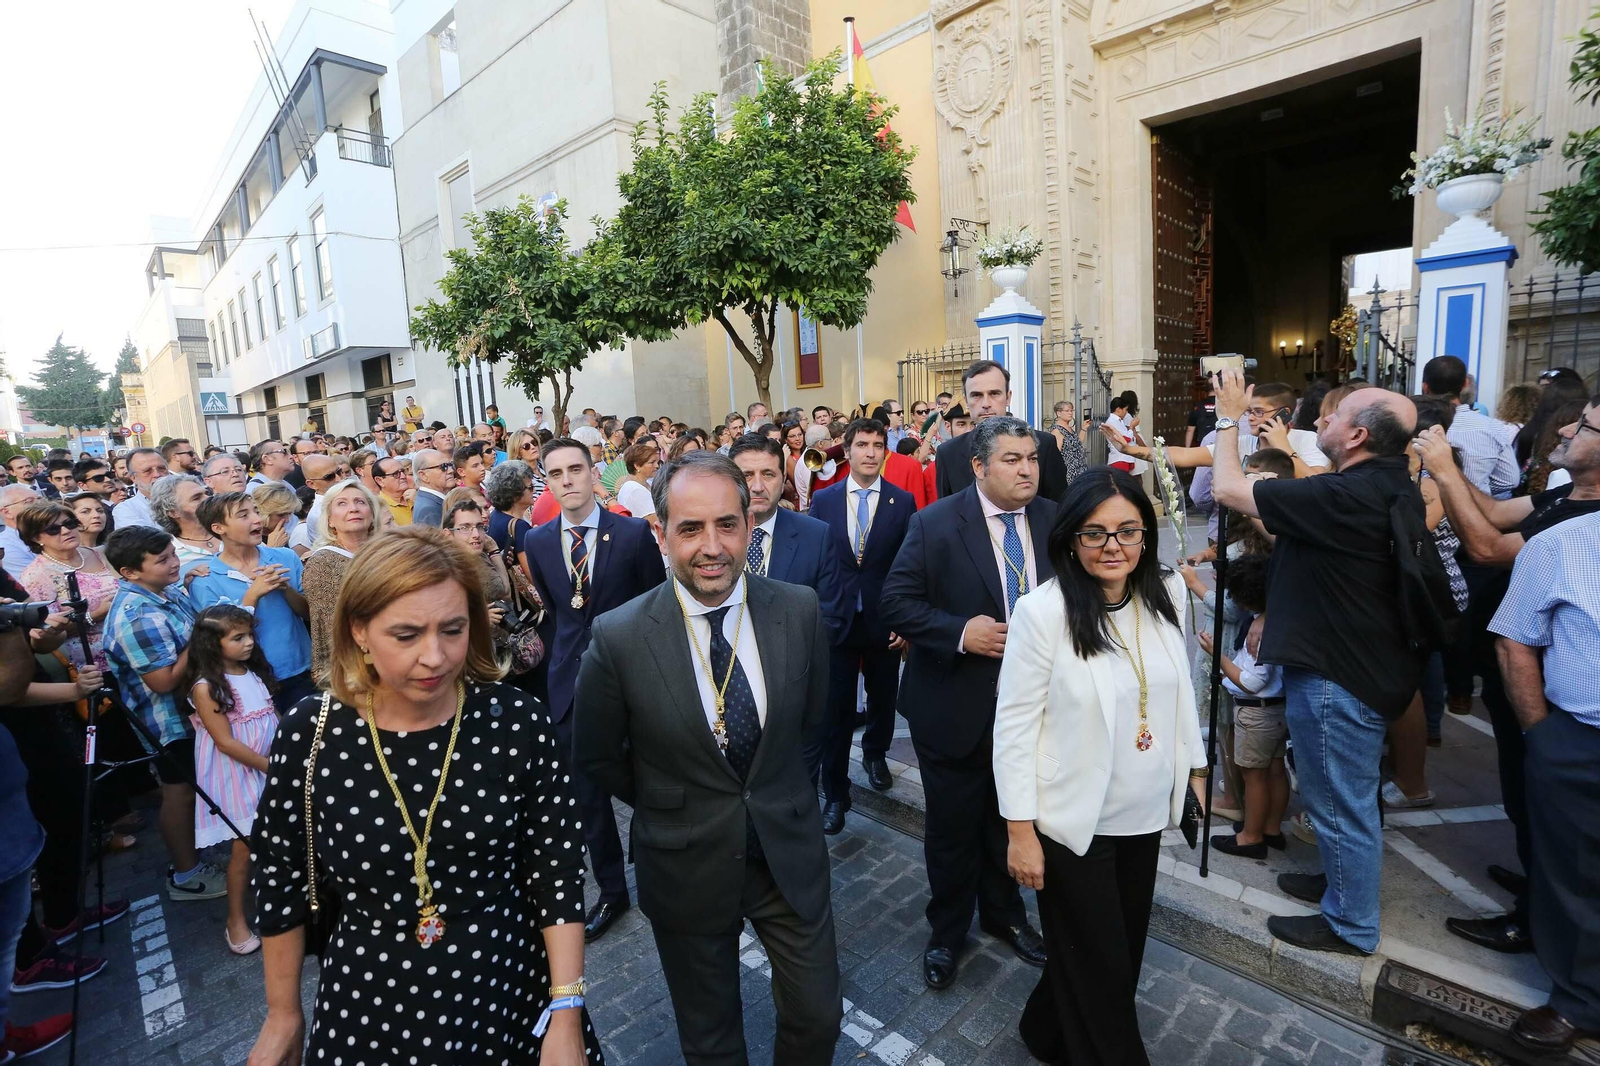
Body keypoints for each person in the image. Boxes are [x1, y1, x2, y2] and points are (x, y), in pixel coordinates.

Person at [246, 526, 601, 1066]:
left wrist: (567, 1013)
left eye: (453, 630)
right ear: (359, 630)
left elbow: (555, 869)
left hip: (506, 985)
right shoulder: (311, 732)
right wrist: (282, 1013)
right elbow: (280, 873)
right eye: (407, 635)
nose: (435, 657)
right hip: (368, 998)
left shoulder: (515, 721)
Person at [573, 451, 840, 1065]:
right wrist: (673, 799)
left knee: (819, 1013)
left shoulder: (797, 609)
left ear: (750, 525)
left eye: (727, 524)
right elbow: (598, 754)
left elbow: (812, 722)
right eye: (690, 529)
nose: (712, 545)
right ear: (661, 533)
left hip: (786, 853)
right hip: (685, 861)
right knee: (711, 1038)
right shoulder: (619, 637)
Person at [1209, 370, 1439, 955]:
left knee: (1342, 803)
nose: (1319, 421)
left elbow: (1230, 492)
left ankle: (1351, 925)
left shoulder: (1346, 493)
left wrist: (1230, 418)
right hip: (1356, 665)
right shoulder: (1383, 484)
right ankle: (1341, 885)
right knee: (1339, 797)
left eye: (1334, 418)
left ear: (1358, 435)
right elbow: (1289, 529)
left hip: (1340, 677)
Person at [994, 467, 1206, 1066]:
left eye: (1128, 531)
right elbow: (1012, 727)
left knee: (1118, 953)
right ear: (1071, 540)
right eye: (1096, 533)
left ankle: (1045, 1028)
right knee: (1104, 966)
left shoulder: (1162, 593)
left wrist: (1194, 767)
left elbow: (1181, 691)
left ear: (1146, 535)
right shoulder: (1043, 612)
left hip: (1143, 818)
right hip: (1070, 823)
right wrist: (1019, 831)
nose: (1113, 547)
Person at [1415, 391, 1600, 955]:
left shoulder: (1587, 520)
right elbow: (1495, 512)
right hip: (1516, 684)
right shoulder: (1565, 494)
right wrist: (1446, 471)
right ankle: (1538, 885)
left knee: (1545, 802)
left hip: (1547, 700)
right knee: (1526, 800)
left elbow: (1489, 545)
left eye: (1585, 426)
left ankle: (1536, 920)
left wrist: (1444, 468)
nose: (1566, 429)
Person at [880, 416, 1055, 989]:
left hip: (1032, 714)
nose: (1026, 468)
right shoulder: (934, 523)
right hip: (955, 708)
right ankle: (947, 931)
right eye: (1011, 459)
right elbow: (897, 603)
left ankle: (1006, 917)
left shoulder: (1054, 520)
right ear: (979, 467)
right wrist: (961, 633)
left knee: (1010, 822)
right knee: (952, 832)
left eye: (1030, 458)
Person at [521, 437, 666, 941]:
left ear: (593, 473)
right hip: (570, 684)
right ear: (547, 480)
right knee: (585, 796)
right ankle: (610, 889)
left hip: (630, 679)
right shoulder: (537, 543)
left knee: (651, 779)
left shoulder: (630, 535)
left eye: (576, 470)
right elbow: (558, 614)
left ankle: (663, 869)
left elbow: (655, 607)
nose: (567, 481)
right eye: (555, 473)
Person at [1487, 509, 1600, 1053]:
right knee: (1573, 873)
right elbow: (1514, 642)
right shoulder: (1562, 543)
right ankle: (1579, 1000)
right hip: (1579, 740)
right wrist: (1545, 738)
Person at [102, 526, 227, 901]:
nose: (174, 563)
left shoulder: (164, 593)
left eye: (173, 554)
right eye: (163, 560)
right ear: (130, 572)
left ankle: (196, 858)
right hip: (169, 720)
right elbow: (163, 681)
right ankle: (186, 875)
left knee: (193, 789)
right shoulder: (137, 614)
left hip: (193, 711)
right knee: (180, 793)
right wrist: (200, 637)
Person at [808, 418, 914, 832]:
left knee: (884, 697)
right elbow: (818, 563)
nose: (870, 452)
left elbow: (909, 566)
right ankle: (836, 793)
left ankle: (875, 754)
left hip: (884, 621)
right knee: (834, 711)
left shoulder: (901, 502)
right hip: (835, 621)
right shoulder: (825, 500)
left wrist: (905, 620)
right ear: (846, 450)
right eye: (862, 444)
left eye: (877, 445)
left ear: (884, 452)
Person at [183, 604, 280, 955]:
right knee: (244, 849)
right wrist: (273, 767)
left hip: (269, 767)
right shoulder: (206, 687)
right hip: (240, 775)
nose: (249, 642)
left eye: (250, 634)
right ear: (212, 643)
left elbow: (271, 717)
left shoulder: (251, 673)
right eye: (238, 637)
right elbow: (225, 742)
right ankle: (235, 919)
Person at [187, 492, 316, 708]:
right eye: (243, 515)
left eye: (256, 511)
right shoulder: (206, 579)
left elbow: (309, 613)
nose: (257, 519)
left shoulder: (284, 557)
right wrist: (252, 595)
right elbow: (220, 638)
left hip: (301, 668)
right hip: (250, 679)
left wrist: (285, 588)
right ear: (218, 528)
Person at [1197, 554, 1287, 858]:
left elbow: (1251, 680)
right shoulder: (1273, 618)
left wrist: (1216, 656)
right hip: (1275, 709)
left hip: (1255, 711)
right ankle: (1271, 828)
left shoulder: (1258, 633)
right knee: (1275, 770)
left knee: (1253, 776)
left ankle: (1251, 837)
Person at [728, 434, 849, 641]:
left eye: (768, 474)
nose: (757, 486)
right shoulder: (711, 537)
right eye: (747, 475)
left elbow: (831, 617)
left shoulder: (816, 536)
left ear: (783, 476)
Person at [935, 361, 1070, 502]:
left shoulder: (1044, 445)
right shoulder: (948, 453)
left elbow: (1059, 508)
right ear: (966, 401)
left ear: (1008, 397)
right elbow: (947, 511)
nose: (986, 404)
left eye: (994, 393)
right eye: (976, 395)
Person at [17, 501, 117, 669]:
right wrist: (94, 615)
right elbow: (47, 633)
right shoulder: (36, 575)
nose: (66, 531)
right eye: (53, 529)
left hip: (135, 643)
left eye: (69, 524)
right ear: (35, 538)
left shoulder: (100, 553)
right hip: (96, 663)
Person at [301, 479, 379, 683]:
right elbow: (329, 626)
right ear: (330, 520)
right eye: (342, 503)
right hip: (351, 665)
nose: (353, 508)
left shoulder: (388, 552)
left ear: (371, 514)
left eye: (360, 502)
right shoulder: (323, 562)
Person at [1420, 356, 1519, 498]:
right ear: (1465, 384)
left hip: (1426, 508)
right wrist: (1475, 488)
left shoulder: (1412, 421)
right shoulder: (1492, 426)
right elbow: (1509, 480)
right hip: (1476, 510)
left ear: (1425, 387)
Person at [150, 473, 219, 567]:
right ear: (173, 512)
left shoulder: (233, 531)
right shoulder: (170, 553)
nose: (208, 499)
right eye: (196, 498)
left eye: (207, 493)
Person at [287, 453, 340, 555]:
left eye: (339, 471)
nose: (338, 478)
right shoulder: (319, 513)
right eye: (329, 477)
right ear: (311, 484)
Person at [112, 447, 169, 529]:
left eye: (162, 468)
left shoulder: (186, 498)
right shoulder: (125, 510)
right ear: (133, 478)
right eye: (147, 471)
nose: (157, 475)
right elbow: (145, 540)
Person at [615, 441, 662, 537]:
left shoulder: (647, 482)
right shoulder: (634, 490)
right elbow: (656, 522)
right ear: (637, 466)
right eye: (651, 463)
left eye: (656, 462)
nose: (656, 466)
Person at [410, 448, 457, 527]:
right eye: (443, 467)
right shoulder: (428, 510)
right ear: (423, 475)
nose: (451, 470)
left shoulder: (432, 501)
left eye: (450, 465)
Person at [251, 481, 302, 551]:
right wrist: (272, 548)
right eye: (281, 515)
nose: (287, 520)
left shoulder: (282, 536)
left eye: (289, 514)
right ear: (262, 512)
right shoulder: (245, 539)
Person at [1049, 399, 1089, 487]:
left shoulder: (1069, 428)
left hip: (1080, 470)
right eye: (1067, 411)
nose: (1070, 413)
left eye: (1071, 410)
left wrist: (1084, 428)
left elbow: (1077, 443)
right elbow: (1055, 454)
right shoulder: (1057, 430)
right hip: (1069, 473)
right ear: (1058, 413)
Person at [371, 454, 413, 525]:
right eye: (396, 474)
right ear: (380, 481)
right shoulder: (379, 509)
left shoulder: (415, 496)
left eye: (403, 471)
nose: (403, 476)